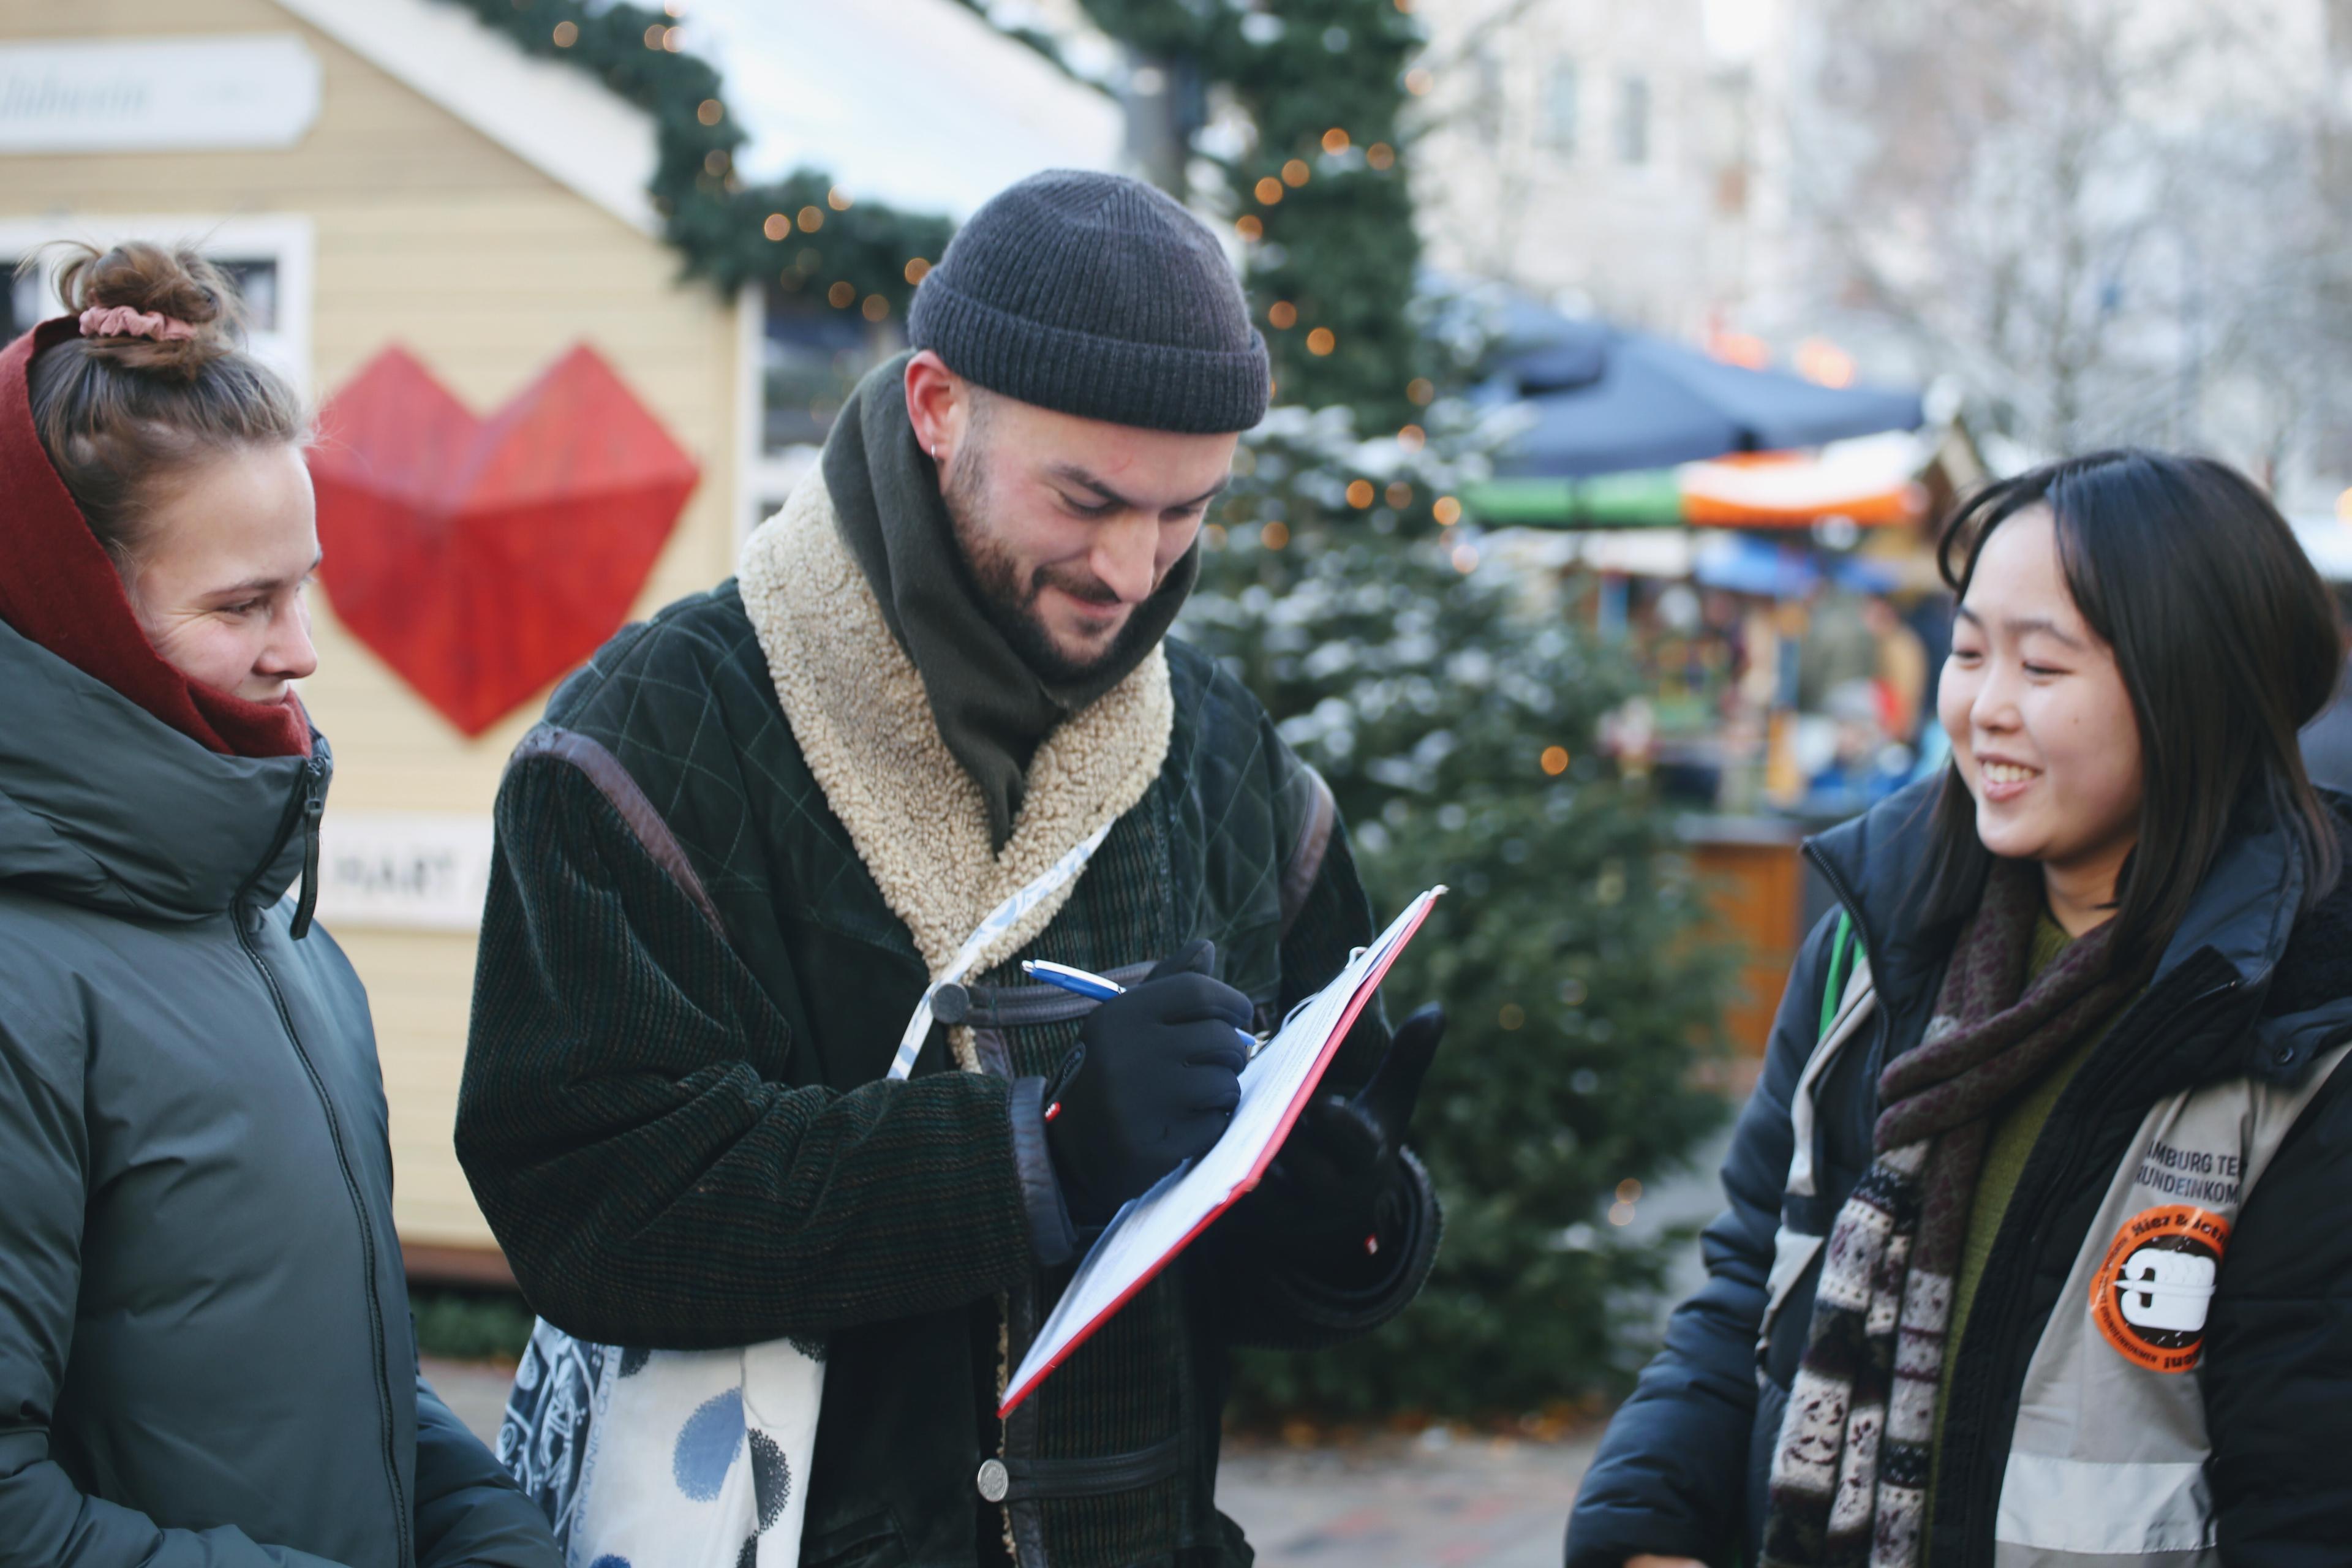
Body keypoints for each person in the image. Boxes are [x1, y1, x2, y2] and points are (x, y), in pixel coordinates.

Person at [455, 170, 1445, 1566]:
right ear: (936, 404)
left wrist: (1340, 1218)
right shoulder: (657, 735)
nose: (1132, 569)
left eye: (1185, 512)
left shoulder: (1228, 756)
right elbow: (594, 1206)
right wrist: (1033, 1153)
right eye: (1086, 497)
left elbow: (1267, 1288)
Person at [1566, 449, 2352, 1567]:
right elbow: (1751, 1280)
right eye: (1969, 650)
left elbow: (2308, 1494)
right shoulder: (1879, 941)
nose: (1983, 708)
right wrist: (1644, 1523)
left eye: (2042, 666)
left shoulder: (2305, 1028)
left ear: (2193, 690)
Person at [0, 244, 560, 1566]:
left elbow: (345, 1381)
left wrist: (492, 1536)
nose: (302, 648)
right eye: (244, 602)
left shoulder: (274, 931)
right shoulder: (25, 985)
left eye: (302, 585)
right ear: (73, 615)